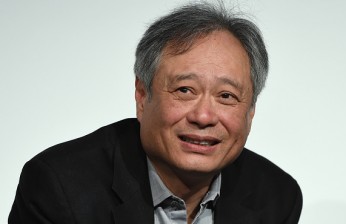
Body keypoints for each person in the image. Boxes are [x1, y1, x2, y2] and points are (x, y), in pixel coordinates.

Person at [9, 2, 302, 224]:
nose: (203, 117)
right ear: (141, 95)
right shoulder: (60, 189)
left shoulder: (276, 198)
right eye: (185, 90)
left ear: (251, 112)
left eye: (226, 96)